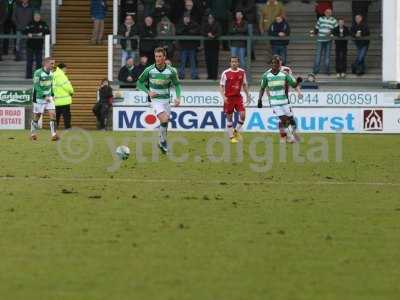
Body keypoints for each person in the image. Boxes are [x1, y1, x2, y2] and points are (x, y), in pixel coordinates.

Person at [137, 47, 182, 154]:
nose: (158, 58)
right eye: (156, 56)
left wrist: (178, 97)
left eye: (160, 56)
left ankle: (162, 142)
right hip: (155, 100)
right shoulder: (149, 70)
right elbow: (139, 83)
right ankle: (163, 141)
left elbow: (177, 85)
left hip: (166, 100)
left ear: (164, 57)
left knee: (165, 122)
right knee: (164, 119)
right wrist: (148, 92)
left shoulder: (171, 71)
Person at [258, 56, 302, 144]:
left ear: (280, 64)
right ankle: (288, 137)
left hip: (285, 101)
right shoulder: (266, 75)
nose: (275, 64)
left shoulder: (285, 74)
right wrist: (260, 100)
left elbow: (293, 84)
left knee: (291, 120)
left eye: (276, 63)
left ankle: (290, 135)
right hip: (274, 102)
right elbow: (262, 88)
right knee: (284, 119)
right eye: (273, 63)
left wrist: (298, 81)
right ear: (271, 64)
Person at [219, 56, 251, 144]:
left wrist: (248, 95)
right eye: (232, 62)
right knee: (229, 118)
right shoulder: (226, 73)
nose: (234, 63)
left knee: (243, 115)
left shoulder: (242, 72)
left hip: (238, 97)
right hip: (229, 98)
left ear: (238, 63)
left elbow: (244, 84)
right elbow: (221, 86)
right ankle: (231, 137)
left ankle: (236, 131)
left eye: (236, 62)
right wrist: (224, 97)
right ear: (230, 63)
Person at [30, 57, 59, 141]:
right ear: (45, 63)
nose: (53, 65)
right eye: (51, 63)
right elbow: (36, 86)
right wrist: (43, 96)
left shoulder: (52, 73)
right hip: (38, 98)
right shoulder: (38, 73)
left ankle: (54, 135)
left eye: (54, 63)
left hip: (48, 97)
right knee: (37, 116)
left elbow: (51, 85)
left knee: (53, 114)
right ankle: (33, 133)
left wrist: (52, 94)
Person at [23, 11, 49, 79]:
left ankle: (38, 76)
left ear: (40, 17)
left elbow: (47, 31)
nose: (37, 18)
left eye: (38, 16)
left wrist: (42, 33)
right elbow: (24, 31)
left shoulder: (43, 24)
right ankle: (28, 76)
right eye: (36, 16)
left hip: (39, 46)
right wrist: (28, 33)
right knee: (29, 62)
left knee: (39, 62)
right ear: (33, 17)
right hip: (30, 46)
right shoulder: (30, 23)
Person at [311, 8, 337, 75]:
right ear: (324, 13)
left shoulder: (334, 20)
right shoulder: (321, 19)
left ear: (331, 13)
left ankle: (327, 71)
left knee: (327, 56)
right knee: (318, 55)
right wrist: (313, 33)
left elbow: (336, 30)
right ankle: (315, 70)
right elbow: (316, 28)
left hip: (328, 40)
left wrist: (331, 32)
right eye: (327, 12)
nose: (328, 13)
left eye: (329, 12)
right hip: (320, 39)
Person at [176, 14, 200, 79]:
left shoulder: (194, 24)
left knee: (193, 62)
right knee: (182, 62)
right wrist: (186, 29)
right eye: (185, 18)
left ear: (190, 18)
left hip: (192, 46)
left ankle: (194, 75)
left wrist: (187, 30)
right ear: (183, 18)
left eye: (188, 18)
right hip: (183, 47)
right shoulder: (180, 24)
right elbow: (178, 32)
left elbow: (196, 31)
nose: (186, 19)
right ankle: (181, 75)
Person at [53, 63, 74, 129]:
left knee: (56, 116)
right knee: (66, 116)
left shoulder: (54, 74)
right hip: (64, 100)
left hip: (56, 100)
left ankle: (54, 129)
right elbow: (66, 86)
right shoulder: (61, 75)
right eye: (65, 68)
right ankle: (68, 128)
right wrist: (71, 91)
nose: (66, 70)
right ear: (62, 68)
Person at [201, 13, 221, 80]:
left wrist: (214, 36)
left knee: (214, 61)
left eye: (211, 18)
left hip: (215, 45)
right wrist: (207, 34)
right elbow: (202, 31)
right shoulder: (205, 24)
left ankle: (214, 76)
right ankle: (209, 75)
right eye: (209, 18)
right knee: (208, 60)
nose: (210, 19)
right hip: (207, 45)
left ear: (213, 18)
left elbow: (219, 32)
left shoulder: (217, 24)